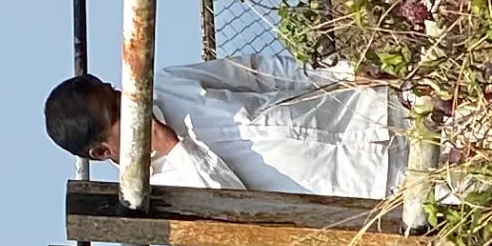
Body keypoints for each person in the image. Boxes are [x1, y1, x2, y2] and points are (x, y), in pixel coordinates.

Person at [42, 58, 413, 200]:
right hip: (373, 181)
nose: (129, 101)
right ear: (102, 150)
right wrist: (173, 148)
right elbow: (235, 208)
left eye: (117, 92)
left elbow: (254, 74)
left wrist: (343, 75)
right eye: (115, 110)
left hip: (374, 107)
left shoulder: (166, 83)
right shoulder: (158, 191)